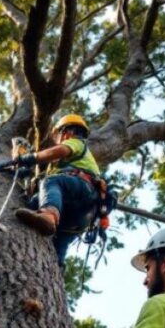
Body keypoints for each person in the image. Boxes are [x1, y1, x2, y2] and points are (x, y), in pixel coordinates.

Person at [6, 114, 102, 266]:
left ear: (66, 132)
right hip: (80, 215)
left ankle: (49, 216)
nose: (57, 140)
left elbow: (58, 152)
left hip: (82, 189)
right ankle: (58, 270)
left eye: (57, 136)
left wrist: (30, 157)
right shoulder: (60, 167)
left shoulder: (76, 142)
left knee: (50, 182)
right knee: (36, 206)